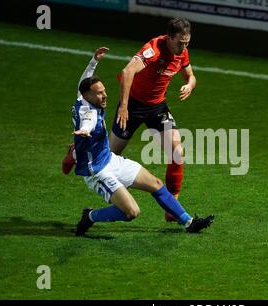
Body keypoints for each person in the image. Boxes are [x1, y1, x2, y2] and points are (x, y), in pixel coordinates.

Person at [62, 17, 196, 223]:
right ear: (169, 38)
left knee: (177, 152)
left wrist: (190, 85)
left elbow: (190, 76)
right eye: (180, 42)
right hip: (132, 106)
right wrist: (123, 106)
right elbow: (127, 73)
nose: (184, 46)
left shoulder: (182, 52)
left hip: (157, 108)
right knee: (108, 156)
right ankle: (75, 152)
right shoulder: (153, 49)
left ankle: (172, 208)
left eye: (187, 42)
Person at [70, 47, 213, 236]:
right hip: (97, 171)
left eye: (104, 91)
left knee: (155, 183)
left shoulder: (83, 97)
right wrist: (84, 130)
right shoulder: (87, 113)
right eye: (99, 93)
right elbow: (88, 122)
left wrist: (94, 61)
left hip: (110, 159)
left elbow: (84, 79)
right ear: (88, 96)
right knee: (131, 212)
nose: (104, 95)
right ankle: (90, 216)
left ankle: (189, 223)